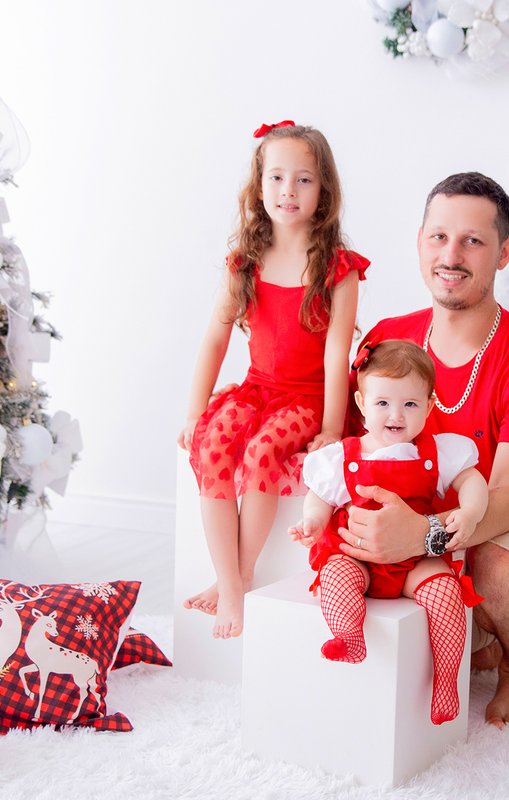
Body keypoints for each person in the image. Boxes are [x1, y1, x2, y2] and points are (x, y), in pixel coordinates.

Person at [336, 172, 509, 728]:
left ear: (504, 254)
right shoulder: (386, 340)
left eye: (473, 241)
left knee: (493, 561)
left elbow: (506, 500)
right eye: (438, 237)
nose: (451, 255)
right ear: (420, 240)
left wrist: (419, 535)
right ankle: (491, 638)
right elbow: (350, 440)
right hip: (429, 555)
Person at [177, 121, 367, 639]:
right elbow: (215, 340)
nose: (289, 190)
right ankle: (229, 580)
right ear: (259, 188)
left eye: (304, 180)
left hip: (307, 398)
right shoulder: (245, 261)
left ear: (323, 191)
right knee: (213, 444)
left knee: (262, 452)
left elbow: (336, 357)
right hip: (258, 387)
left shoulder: (338, 267)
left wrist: (331, 429)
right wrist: (195, 412)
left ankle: (239, 579)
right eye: (277, 178)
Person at [290, 340, 488, 725]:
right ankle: (349, 636)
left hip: (417, 560)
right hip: (358, 555)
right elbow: (319, 498)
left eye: (410, 404)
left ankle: (446, 681)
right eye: (383, 403)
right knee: (335, 573)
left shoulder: (437, 451)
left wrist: (471, 511)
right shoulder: (343, 456)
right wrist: (311, 523)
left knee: (446, 593)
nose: (396, 414)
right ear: (362, 404)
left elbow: (473, 480)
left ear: (429, 407)